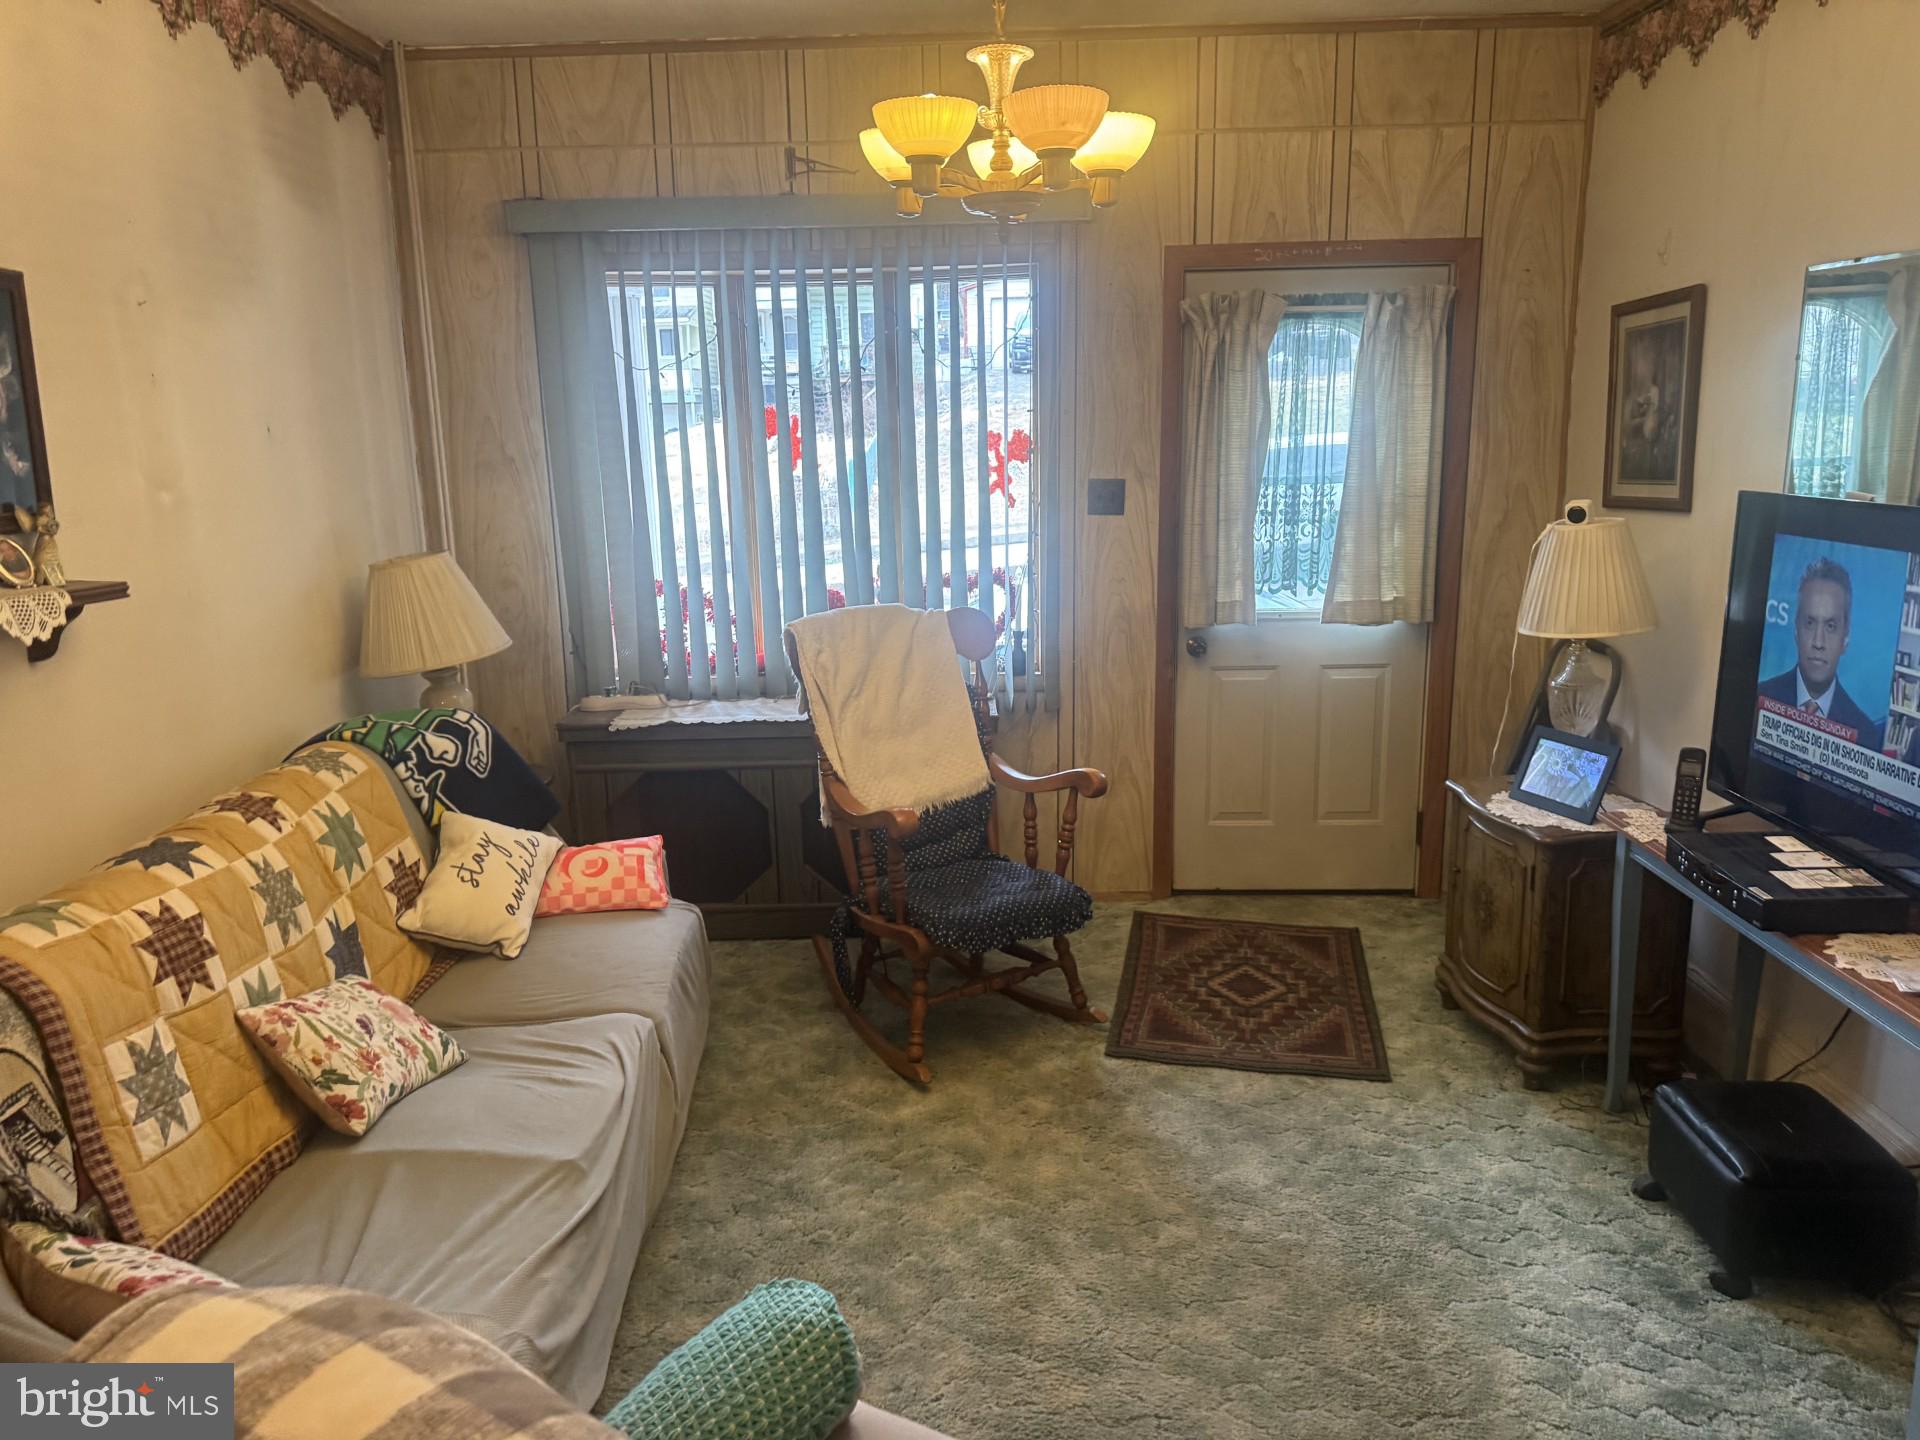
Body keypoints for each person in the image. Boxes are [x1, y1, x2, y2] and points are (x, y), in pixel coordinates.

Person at [1758, 557, 1884, 751]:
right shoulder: (1759, 697)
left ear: (1846, 638)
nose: (1818, 642)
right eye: (1809, 623)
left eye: (1831, 626)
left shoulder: (1866, 734)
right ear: (1795, 630)